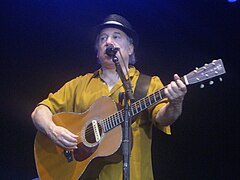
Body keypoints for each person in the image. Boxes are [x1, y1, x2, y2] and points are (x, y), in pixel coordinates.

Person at [31, 14, 187, 180]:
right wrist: (52, 130)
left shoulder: (148, 84)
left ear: (130, 48)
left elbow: (164, 118)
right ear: (98, 51)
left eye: (116, 37)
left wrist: (175, 103)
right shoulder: (79, 84)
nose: (108, 42)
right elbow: (39, 112)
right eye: (103, 38)